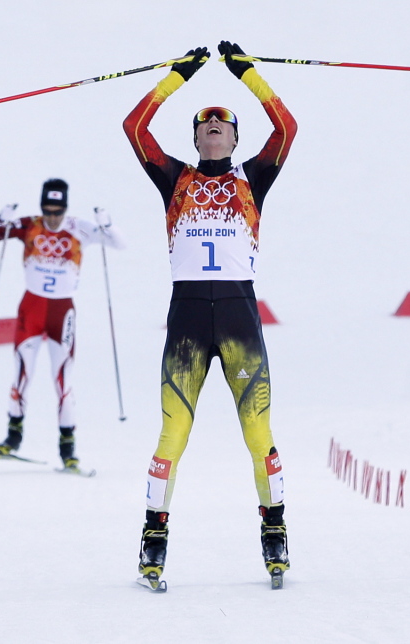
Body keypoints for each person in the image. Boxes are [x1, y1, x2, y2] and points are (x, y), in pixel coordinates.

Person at [122, 41, 297, 588]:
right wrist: (178, 76)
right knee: (172, 435)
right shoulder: (175, 179)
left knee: (257, 430)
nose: (214, 123)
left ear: (236, 138)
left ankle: (275, 529)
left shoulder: (252, 179)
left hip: (240, 315)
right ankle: (154, 536)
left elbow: (287, 129)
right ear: (195, 137)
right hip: (189, 321)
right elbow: (133, 128)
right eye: (204, 121)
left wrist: (248, 75)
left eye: (224, 121)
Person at [0, 178, 125, 472]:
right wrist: (2, 216)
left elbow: (119, 244)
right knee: (22, 372)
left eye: (57, 211)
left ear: (65, 208)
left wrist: (106, 223)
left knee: (62, 380)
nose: (52, 217)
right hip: (31, 309)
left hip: (62, 313)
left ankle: (68, 450)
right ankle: (12, 437)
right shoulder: (30, 224)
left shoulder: (79, 227)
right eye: (47, 210)